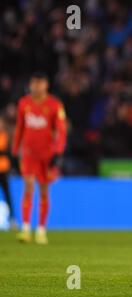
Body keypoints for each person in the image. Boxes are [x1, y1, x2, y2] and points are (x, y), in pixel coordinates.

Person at [13, 72, 67, 244]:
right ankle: (26, 229)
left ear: (46, 84)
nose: (36, 86)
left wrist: (58, 152)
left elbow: (61, 130)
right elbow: (19, 128)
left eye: (39, 83)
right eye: (34, 83)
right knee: (28, 187)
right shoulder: (24, 103)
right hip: (28, 153)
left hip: (47, 154)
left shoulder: (54, 105)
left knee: (44, 190)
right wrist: (15, 150)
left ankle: (41, 230)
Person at [0, 115, 15, 229]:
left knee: (7, 194)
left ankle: (12, 219)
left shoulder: (6, 136)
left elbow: (10, 153)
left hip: (4, 169)